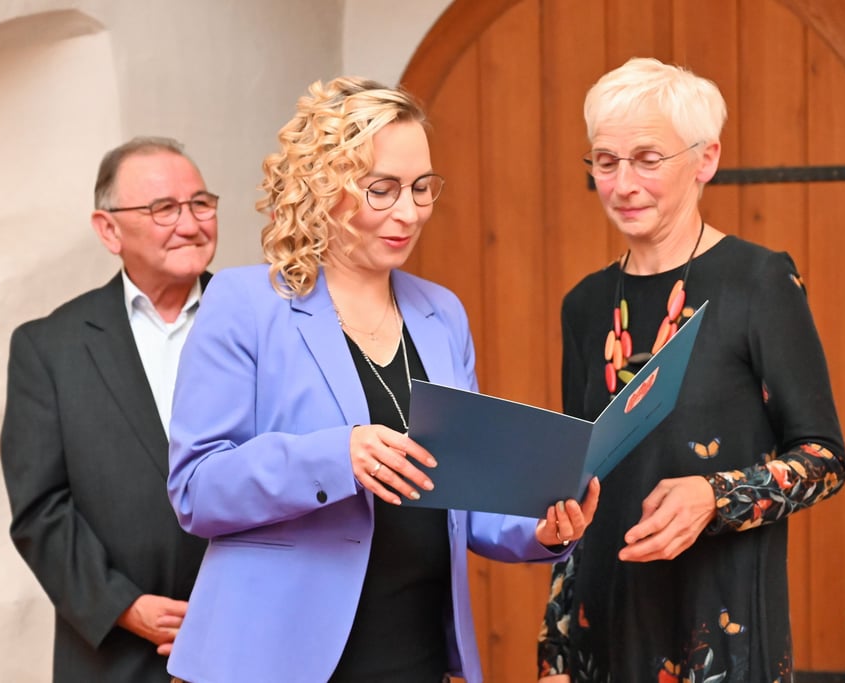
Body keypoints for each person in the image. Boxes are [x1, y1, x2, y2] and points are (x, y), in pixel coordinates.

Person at [164, 76, 600, 683]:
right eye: (382, 189)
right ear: (324, 187)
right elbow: (197, 489)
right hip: (274, 659)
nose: (409, 212)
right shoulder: (245, 304)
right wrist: (336, 456)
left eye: (422, 188)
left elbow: (466, 492)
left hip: (416, 654)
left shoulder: (442, 313)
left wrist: (542, 528)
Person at [536, 58, 845, 682]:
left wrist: (715, 495)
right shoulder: (584, 305)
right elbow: (577, 484)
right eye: (606, 161)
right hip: (605, 632)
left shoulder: (760, 282)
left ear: (705, 160)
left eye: (648, 159)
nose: (623, 184)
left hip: (723, 632)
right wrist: (555, 652)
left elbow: (825, 460)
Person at [0, 137, 217, 682]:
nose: (190, 224)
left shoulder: (266, 324)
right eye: (164, 208)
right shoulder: (50, 348)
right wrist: (124, 606)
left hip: (249, 643)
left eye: (200, 203)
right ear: (109, 229)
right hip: (115, 656)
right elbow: (41, 510)